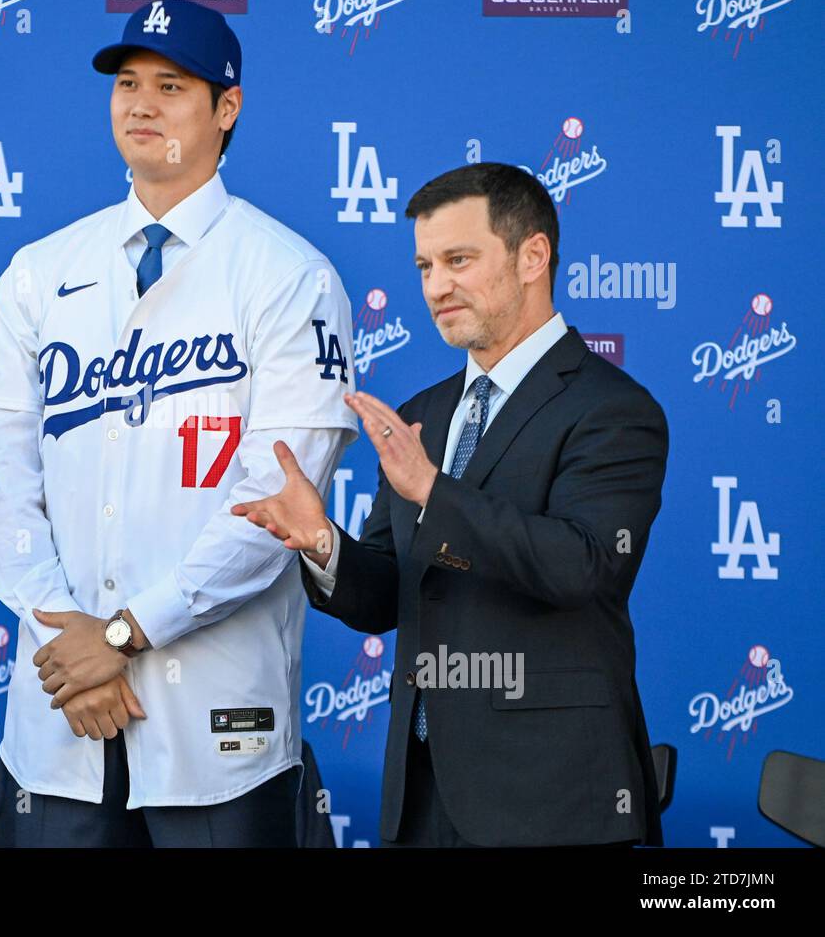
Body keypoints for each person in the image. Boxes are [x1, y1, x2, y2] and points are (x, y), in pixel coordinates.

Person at [0, 0, 357, 847]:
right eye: (127, 84)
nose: (140, 104)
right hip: (63, 710)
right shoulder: (40, 271)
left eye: (171, 85)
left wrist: (126, 633)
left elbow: (275, 504)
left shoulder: (291, 276)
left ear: (227, 108)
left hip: (218, 721)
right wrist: (73, 640)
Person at [234, 162, 668, 847]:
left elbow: (583, 566)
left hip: (554, 801)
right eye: (425, 266)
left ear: (533, 257)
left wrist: (434, 492)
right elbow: (386, 595)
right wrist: (323, 543)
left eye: (459, 260)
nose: (436, 287)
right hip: (423, 796)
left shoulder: (613, 410)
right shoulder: (423, 414)